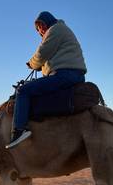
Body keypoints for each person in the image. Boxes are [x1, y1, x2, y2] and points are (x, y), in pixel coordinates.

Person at [6, 11, 87, 149]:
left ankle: (19, 130)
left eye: (40, 28)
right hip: (72, 73)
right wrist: (42, 67)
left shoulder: (55, 29)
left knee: (23, 91)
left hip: (65, 74)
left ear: (45, 23)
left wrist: (31, 64)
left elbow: (42, 53)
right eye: (38, 30)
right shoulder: (61, 30)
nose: (40, 32)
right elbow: (52, 55)